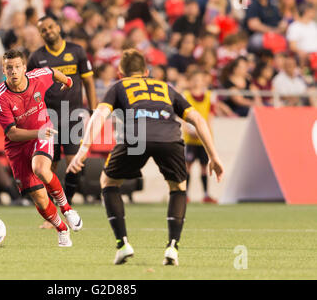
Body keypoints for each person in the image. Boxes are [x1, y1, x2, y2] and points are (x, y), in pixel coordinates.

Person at [67, 49, 224, 266]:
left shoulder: (119, 86)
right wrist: (213, 156)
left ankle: (122, 244)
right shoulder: (165, 87)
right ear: (147, 71)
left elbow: (100, 115)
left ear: (121, 73)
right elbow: (197, 118)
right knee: (178, 188)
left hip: (136, 137)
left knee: (109, 182)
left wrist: (83, 150)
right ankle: (172, 247)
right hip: (169, 137)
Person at [0, 49, 83, 247]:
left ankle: (67, 209)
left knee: (41, 169)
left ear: (24, 68)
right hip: (17, 147)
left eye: (17, 67)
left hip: (43, 131)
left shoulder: (37, 77)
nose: (14, 71)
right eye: (9, 68)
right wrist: (38, 134)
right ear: (3, 70)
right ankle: (62, 229)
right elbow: (12, 133)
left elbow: (51, 72)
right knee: (40, 199)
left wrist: (67, 81)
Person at [27, 15, 97, 228]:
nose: (47, 31)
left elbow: (88, 81)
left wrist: (93, 109)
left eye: (50, 27)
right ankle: (52, 214)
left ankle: (68, 208)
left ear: (58, 27)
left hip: (74, 115)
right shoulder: (36, 57)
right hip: (47, 118)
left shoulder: (77, 51)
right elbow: (30, 88)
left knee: (74, 163)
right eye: (43, 30)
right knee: (49, 166)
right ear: (41, 34)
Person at [182, 70, 217, 204]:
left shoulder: (209, 96)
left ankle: (206, 194)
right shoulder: (185, 96)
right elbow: (182, 116)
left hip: (204, 139)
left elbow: (210, 116)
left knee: (204, 166)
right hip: (190, 138)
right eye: (194, 79)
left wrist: (205, 131)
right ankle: (185, 194)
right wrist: (188, 129)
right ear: (190, 82)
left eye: (200, 79)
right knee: (187, 166)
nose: (197, 82)